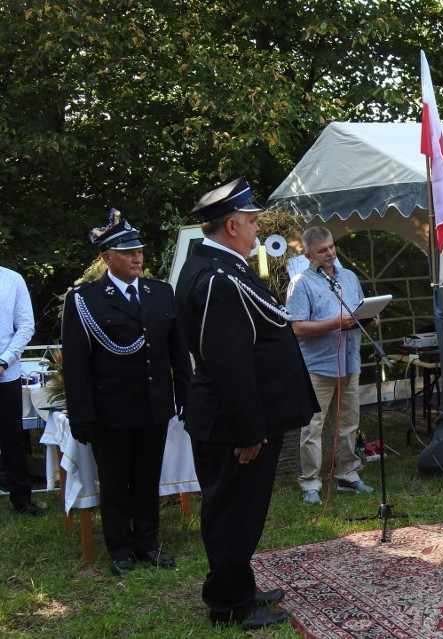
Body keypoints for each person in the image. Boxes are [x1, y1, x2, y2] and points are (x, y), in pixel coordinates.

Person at [175, 177, 319, 630]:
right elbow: (229, 364)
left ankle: (239, 584)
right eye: (253, 222)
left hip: (241, 417)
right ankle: (230, 603)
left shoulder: (225, 268)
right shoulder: (217, 277)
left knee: (242, 510)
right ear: (233, 225)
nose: (258, 229)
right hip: (232, 422)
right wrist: (249, 429)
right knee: (233, 513)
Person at [62, 210, 192, 576]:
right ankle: (119, 548)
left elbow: (178, 353)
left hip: (153, 405)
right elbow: (76, 364)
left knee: (148, 478)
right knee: (116, 482)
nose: (137, 258)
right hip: (112, 409)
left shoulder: (160, 292)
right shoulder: (85, 300)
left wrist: (186, 396)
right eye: (127, 252)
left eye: (139, 251)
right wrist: (82, 414)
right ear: (106, 257)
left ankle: (148, 543)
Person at [286, 226, 379, 505]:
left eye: (331, 247)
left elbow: (358, 310)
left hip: (349, 360)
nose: (329, 253)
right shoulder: (300, 283)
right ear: (308, 254)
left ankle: (348, 475)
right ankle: (310, 483)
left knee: (349, 422)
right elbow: (296, 327)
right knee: (313, 427)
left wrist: (370, 319)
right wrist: (335, 324)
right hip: (317, 366)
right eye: (322, 250)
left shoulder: (348, 277)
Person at [0, 266, 42, 516]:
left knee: (12, 437)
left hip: (6, 372)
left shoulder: (13, 279)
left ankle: (22, 499)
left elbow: (25, 325)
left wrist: (4, 361)